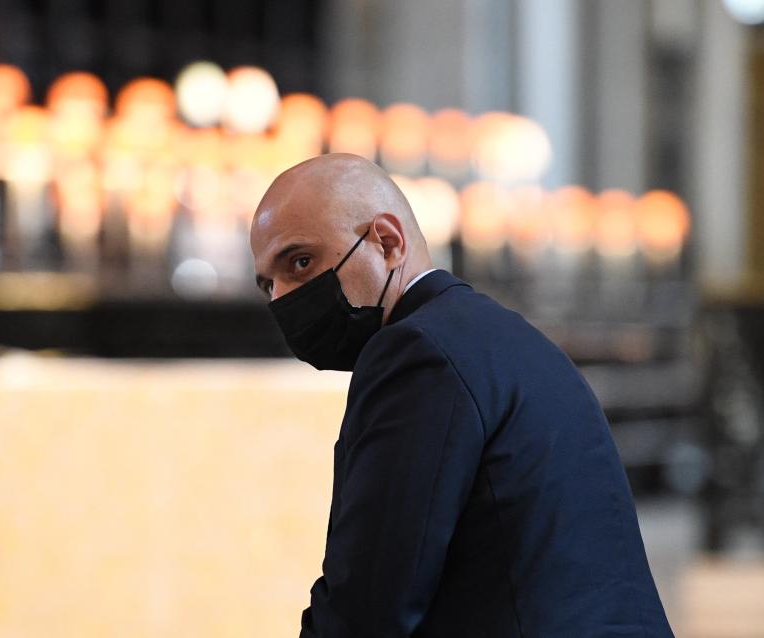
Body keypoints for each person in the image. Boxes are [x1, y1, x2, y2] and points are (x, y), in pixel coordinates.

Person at [250, 153, 674, 637]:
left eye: (300, 262)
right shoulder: (506, 338)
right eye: (268, 284)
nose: (282, 297)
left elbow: (369, 605)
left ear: (387, 243)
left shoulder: (416, 352)